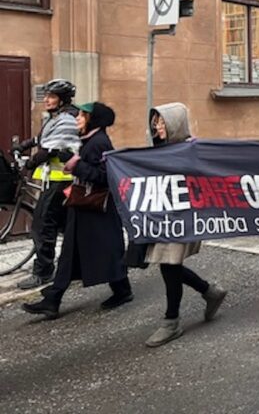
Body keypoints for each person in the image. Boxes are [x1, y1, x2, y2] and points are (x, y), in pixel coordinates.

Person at [22, 103, 132, 319]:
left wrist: (73, 164)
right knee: (72, 253)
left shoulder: (99, 143)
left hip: (96, 208)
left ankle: (122, 290)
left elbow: (103, 176)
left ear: (93, 119)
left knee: (105, 251)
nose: (78, 118)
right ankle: (53, 300)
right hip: (84, 207)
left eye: (83, 115)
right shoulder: (90, 139)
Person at [144, 103, 227, 348]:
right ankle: (209, 291)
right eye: (156, 122)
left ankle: (172, 322)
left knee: (170, 266)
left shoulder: (192, 149)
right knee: (169, 266)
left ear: (174, 123)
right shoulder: (158, 150)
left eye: (162, 122)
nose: (157, 126)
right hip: (163, 217)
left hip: (183, 218)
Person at [12, 79, 81, 290]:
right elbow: (40, 139)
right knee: (68, 228)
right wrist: (22, 145)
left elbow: (50, 149)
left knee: (42, 227)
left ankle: (43, 273)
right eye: (47, 96)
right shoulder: (56, 118)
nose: (47, 100)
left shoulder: (68, 119)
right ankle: (79, 266)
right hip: (52, 181)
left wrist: (30, 163)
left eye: (52, 97)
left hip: (60, 182)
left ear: (62, 100)